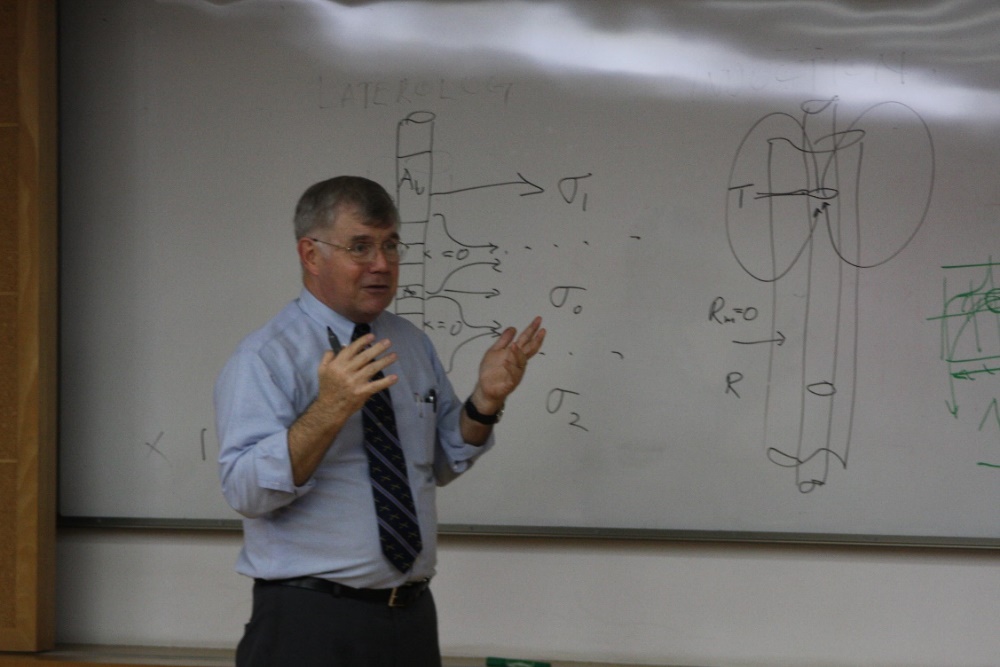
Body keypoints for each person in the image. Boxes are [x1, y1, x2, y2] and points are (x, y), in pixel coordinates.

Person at [214, 175, 545, 667]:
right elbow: (245, 492)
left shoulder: (408, 342)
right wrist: (328, 410)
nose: (383, 264)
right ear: (311, 255)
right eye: (360, 247)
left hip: (409, 615)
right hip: (309, 622)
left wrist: (485, 401)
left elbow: (443, 460)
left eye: (391, 245)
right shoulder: (266, 357)